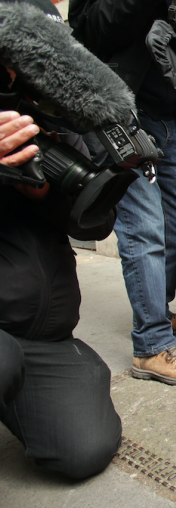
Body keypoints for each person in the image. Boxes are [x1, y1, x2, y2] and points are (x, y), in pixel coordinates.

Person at [69, 0, 176, 385]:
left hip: (168, 122)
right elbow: (86, 28)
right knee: (144, 227)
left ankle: (155, 315)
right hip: (121, 115)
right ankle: (150, 345)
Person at [0, 110, 122, 479]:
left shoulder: (42, 112)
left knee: (84, 449)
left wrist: (44, 190)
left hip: (45, 337)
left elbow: (99, 222)